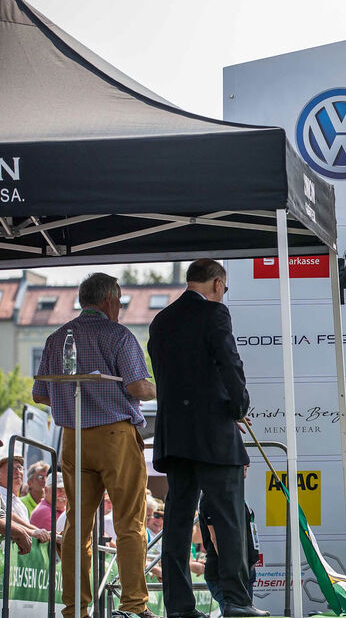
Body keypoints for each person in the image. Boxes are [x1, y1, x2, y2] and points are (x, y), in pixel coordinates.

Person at [31, 272, 157, 618]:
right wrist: (161, 389)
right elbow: (137, 388)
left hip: (73, 437)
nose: (119, 308)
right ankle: (133, 604)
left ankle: (75, 608)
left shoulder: (57, 338)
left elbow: (40, 393)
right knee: (130, 522)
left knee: (75, 524)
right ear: (108, 301)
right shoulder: (117, 335)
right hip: (115, 436)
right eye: (118, 302)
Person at [149, 259, 266, 618]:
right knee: (229, 519)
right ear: (217, 284)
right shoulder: (215, 314)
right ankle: (236, 602)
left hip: (176, 438)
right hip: (214, 435)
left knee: (178, 522)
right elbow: (230, 362)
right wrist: (239, 404)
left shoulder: (161, 320)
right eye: (224, 288)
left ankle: (179, 607)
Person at [201, 465, 261, 616]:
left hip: (245, 569)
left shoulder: (235, 493)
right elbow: (215, 538)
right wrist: (233, 571)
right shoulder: (212, 495)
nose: (247, 464)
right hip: (227, 572)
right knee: (237, 615)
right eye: (242, 460)